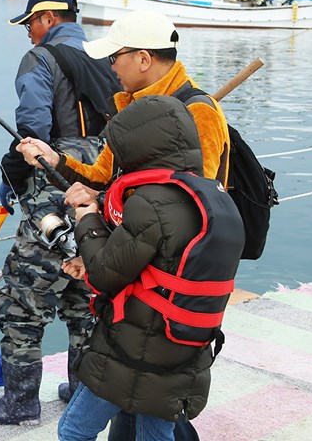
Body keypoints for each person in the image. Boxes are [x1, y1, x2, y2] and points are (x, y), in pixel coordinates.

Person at [54, 95, 245, 441]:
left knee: (73, 431)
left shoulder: (150, 202)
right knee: (153, 436)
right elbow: (165, 267)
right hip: (186, 347)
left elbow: (103, 273)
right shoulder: (215, 197)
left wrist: (87, 218)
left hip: (132, 351)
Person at [0, 0, 121, 425]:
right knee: (87, 289)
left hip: (55, 185)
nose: (28, 34)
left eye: (30, 24)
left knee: (22, 297)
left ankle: (20, 403)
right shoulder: (110, 57)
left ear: (48, 19)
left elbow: (33, 128)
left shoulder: (40, 59)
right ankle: (82, 392)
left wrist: (12, 176)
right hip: (103, 183)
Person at [17, 10, 230, 207]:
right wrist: (55, 160)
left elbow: (192, 203)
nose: (111, 67)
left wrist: (100, 199)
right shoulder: (132, 107)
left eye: (113, 57)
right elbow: (101, 175)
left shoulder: (199, 112)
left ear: (143, 59)